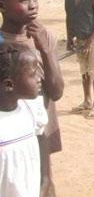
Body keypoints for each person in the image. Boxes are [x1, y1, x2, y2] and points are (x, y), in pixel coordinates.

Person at [0, 0, 64, 197]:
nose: (33, 5)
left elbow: (56, 91)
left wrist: (45, 50)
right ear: (3, 6)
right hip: (9, 133)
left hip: (41, 129)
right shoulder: (2, 45)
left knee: (43, 185)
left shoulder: (44, 37)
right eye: (24, 0)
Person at [0, 43, 48, 197]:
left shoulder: (31, 109)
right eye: (33, 74)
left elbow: (42, 138)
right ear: (9, 85)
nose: (40, 78)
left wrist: (45, 179)